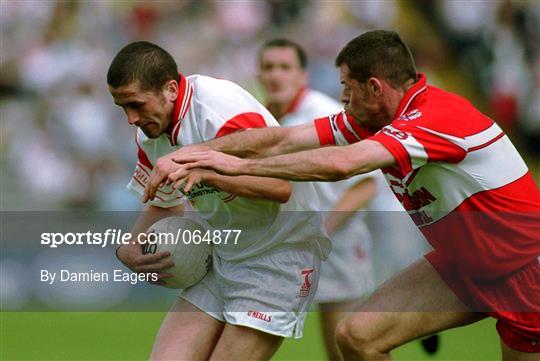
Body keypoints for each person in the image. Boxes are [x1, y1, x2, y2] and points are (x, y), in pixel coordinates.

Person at [146, 30, 540, 360]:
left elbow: (344, 165)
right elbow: (285, 139)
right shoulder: (374, 119)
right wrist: (201, 151)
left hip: (524, 268)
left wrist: (234, 167)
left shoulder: (436, 117)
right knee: (356, 337)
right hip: (466, 265)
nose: (343, 99)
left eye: (347, 89)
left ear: (374, 87)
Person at [108, 41, 331, 360]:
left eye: (136, 105)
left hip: (279, 255)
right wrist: (128, 247)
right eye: (123, 108)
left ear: (170, 89)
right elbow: (165, 200)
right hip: (219, 255)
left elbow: (281, 186)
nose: (131, 118)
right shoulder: (149, 134)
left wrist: (207, 172)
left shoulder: (219, 109)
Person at [257, 38, 379, 360]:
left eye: (285, 67)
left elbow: (366, 185)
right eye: (268, 67)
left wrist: (322, 230)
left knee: (344, 345)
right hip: (287, 245)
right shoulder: (261, 120)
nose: (275, 75)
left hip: (335, 246)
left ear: (302, 75)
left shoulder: (326, 114)